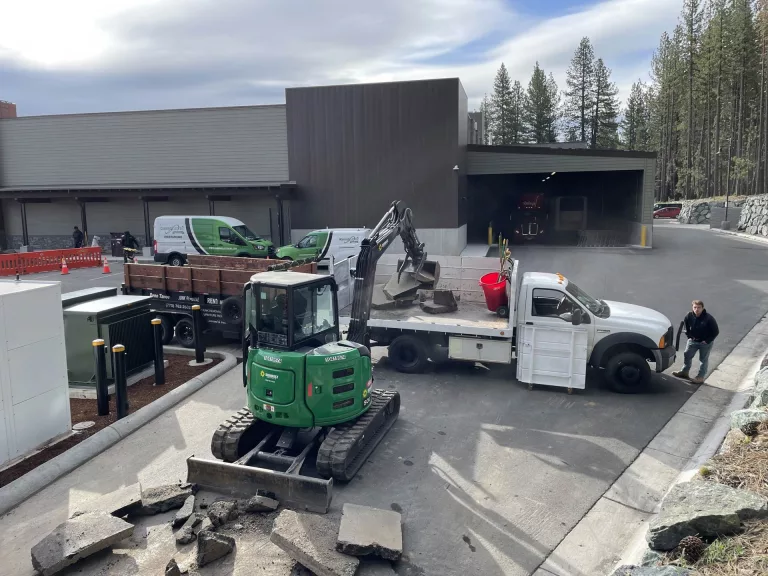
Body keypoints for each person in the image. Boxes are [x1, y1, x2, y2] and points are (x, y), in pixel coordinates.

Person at [673, 300, 719, 384]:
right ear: (692, 308)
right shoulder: (689, 316)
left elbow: (716, 331)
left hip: (705, 343)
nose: (697, 309)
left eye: (699, 308)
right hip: (693, 341)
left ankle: (700, 377)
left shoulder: (709, 318)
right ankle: (684, 372)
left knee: (703, 359)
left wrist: (707, 341)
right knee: (687, 355)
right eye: (695, 307)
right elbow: (686, 328)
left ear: (702, 308)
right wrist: (689, 337)